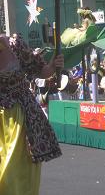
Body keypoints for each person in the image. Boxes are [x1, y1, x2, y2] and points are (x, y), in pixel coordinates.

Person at [0, 34, 63, 194]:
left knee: (15, 173)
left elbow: (42, 71)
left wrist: (53, 65)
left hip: (21, 118)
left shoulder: (15, 44)